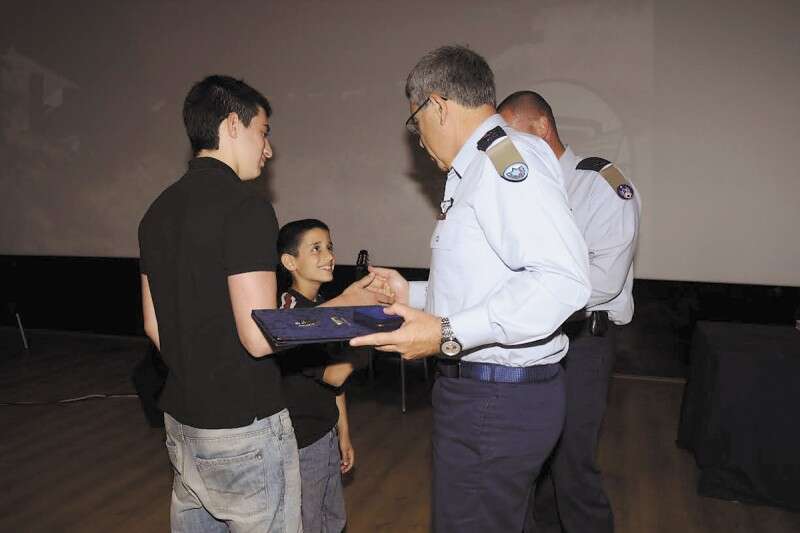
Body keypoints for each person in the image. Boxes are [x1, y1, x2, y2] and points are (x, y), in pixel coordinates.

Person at [350, 46, 591, 533]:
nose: (418, 139)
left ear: (438, 105)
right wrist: (412, 295)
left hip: (494, 403)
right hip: (488, 398)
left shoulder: (504, 161)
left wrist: (447, 333)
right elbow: (487, 282)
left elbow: (562, 281)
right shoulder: (478, 167)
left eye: (415, 122)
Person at [138, 75, 389, 532]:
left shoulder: (157, 212)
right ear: (233, 124)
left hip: (183, 425)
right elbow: (259, 336)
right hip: (245, 428)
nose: (268, 149)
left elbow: (155, 327)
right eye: (264, 131)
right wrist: (352, 312)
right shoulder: (245, 207)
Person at [498, 90, 641, 533]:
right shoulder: (523, 189)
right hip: (532, 340)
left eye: (510, 134)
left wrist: (529, 302)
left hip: (582, 342)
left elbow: (606, 278)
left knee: (572, 464)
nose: (503, 147)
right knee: (534, 460)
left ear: (542, 127)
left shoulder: (600, 182)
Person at [276, 219, 358, 533]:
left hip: (325, 433)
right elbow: (334, 375)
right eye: (316, 248)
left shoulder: (323, 306)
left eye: (329, 247)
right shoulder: (290, 315)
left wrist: (343, 433)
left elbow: (336, 386)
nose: (329, 256)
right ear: (290, 262)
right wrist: (373, 332)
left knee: (333, 518)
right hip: (300, 441)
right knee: (308, 521)